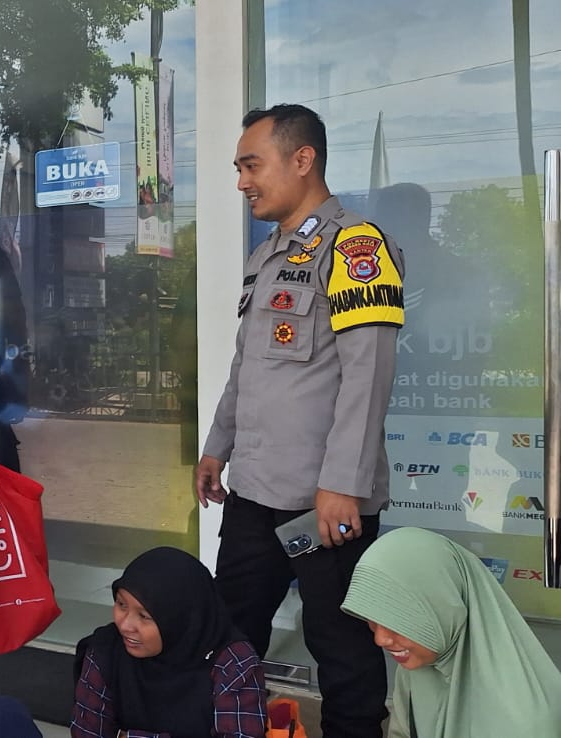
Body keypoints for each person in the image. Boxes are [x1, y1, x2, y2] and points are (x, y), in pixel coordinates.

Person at [196, 104, 402, 738]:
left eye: (251, 165)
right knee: (230, 636)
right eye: (238, 169)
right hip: (255, 495)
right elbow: (247, 367)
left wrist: (343, 484)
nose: (241, 182)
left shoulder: (356, 247)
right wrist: (217, 447)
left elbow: (368, 377)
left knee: (341, 648)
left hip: (321, 507)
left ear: (302, 159)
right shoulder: (267, 256)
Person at [341, 528, 561, 738]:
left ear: (445, 607)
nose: (380, 639)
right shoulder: (417, 668)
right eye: (374, 619)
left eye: (399, 620)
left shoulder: (526, 722)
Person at [71, 547, 268, 738]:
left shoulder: (234, 664)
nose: (125, 625)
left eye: (144, 616)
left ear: (181, 619)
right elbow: (86, 732)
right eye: (121, 604)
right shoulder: (106, 650)